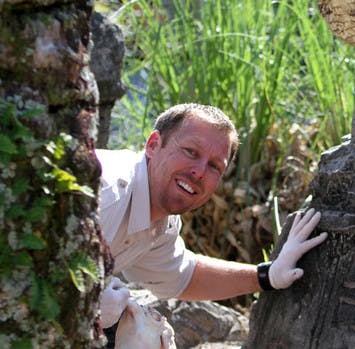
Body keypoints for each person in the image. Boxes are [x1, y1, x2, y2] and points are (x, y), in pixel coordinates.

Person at [95, 103, 327, 341]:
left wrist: (269, 275)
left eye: (214, 166)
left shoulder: (162, 222)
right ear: (153, 144)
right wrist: (87, 304)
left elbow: (184, 276)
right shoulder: (108, 191)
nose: (199, 172)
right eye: (190, 152)